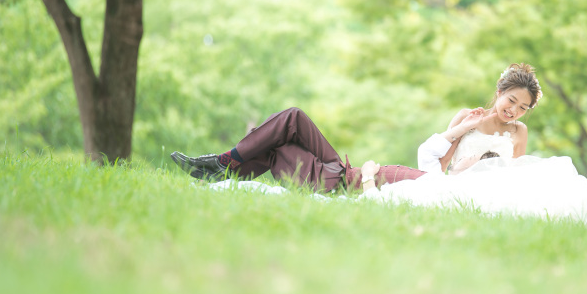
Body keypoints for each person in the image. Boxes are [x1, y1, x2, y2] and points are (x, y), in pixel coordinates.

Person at [362, 63, 587, 225]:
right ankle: (366, 182)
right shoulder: (468, 116)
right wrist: (461, 163)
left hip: (498, 188)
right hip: (460, 183)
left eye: (522, 107)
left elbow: (517, 171)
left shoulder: (519, 131)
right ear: (499, 91)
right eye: (511, 101)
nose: (513, 111)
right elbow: (435, 166)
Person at [170, 107, 425, 192]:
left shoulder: (443, 189)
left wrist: (369, 174)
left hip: (336, 185)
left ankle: (224, 164)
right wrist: (462, 123)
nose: (466, 160)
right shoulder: (437, 176)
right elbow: (434, 150)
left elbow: (376, 205)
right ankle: (223, 168)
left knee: (277, 140)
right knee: (290, 120)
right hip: (336, 170)